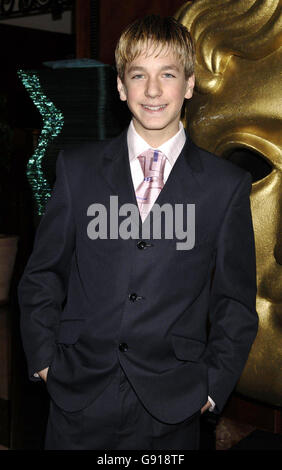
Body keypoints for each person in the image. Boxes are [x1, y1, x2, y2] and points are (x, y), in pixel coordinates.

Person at [18, 15, 258, 450]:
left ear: (188, 85)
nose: (152, 90)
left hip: (173, 402)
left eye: (167, 74)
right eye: (138, 75)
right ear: (121, 87)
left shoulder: (226, 187)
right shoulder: (77, 169)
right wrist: (46, 361)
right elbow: (42, 275)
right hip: (77, 392)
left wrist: (209, 388)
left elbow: (235, 303)